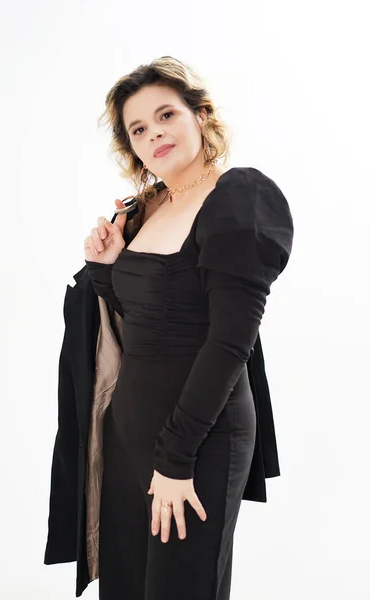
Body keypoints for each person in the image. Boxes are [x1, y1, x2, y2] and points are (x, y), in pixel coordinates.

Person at [82, 56, 294, 600]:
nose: (155, 133)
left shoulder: (239, 197)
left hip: (198, 442)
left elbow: (229, 342)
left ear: (200, 116)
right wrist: (107, 268)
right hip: (129, 439)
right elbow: (145, 321)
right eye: (139, 129)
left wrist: (176, 460)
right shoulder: (146, 209)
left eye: (166, 115)